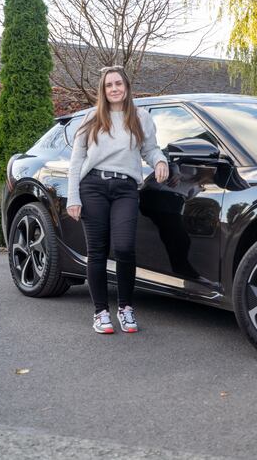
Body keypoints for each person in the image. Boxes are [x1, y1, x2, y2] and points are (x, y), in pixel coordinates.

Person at [65, 66, 169, 334]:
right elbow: (76, 161)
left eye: (118, 84)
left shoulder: (140, 117)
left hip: (125, 188)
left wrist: (159, 160)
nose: (114, 89)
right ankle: (101, 312)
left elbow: (150, 148)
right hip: (93, 187)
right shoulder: (91, 118)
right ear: (103, 89)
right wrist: (73, 198)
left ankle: (125, 308)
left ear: (126, 87)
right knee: (97, 251)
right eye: (109, 85)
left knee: (124, 248)